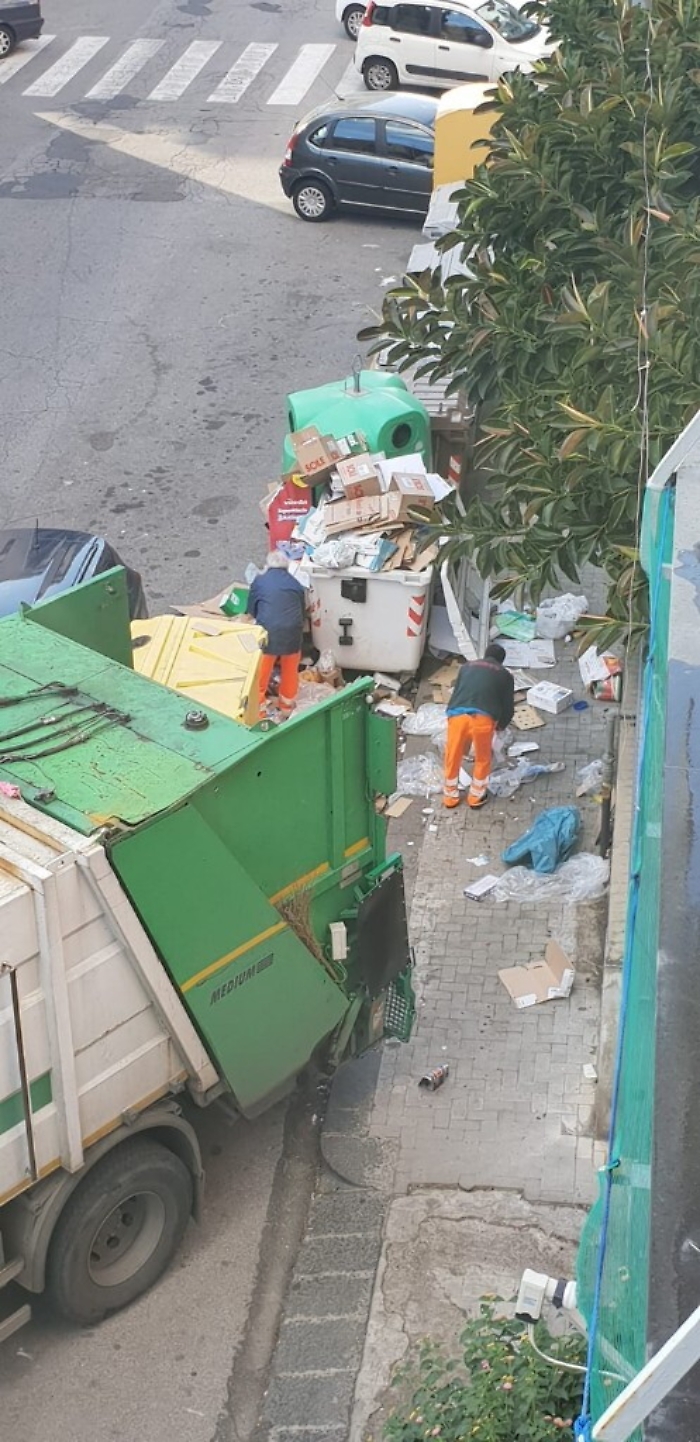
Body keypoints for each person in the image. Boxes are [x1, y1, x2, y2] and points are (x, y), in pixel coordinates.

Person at [443, 642, 515, 810]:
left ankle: (450, 797)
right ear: (501, 661)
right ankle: (475, 797)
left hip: (457, 715)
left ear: (485, 655)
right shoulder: (505, 675)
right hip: (482, 719)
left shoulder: (466, 667)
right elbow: (508, 706)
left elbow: (458, 690)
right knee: (483, 758)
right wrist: (501, 725)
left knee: (453, 755)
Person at [248, 553, 306, 720]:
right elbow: (302, 613)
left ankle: (259, 711)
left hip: (268, 632)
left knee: (262, 672)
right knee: (290, 670)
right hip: (293, 633)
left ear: (268, 566)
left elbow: (252, 610)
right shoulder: (296, 584)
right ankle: (286, 707)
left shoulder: (259, 581)